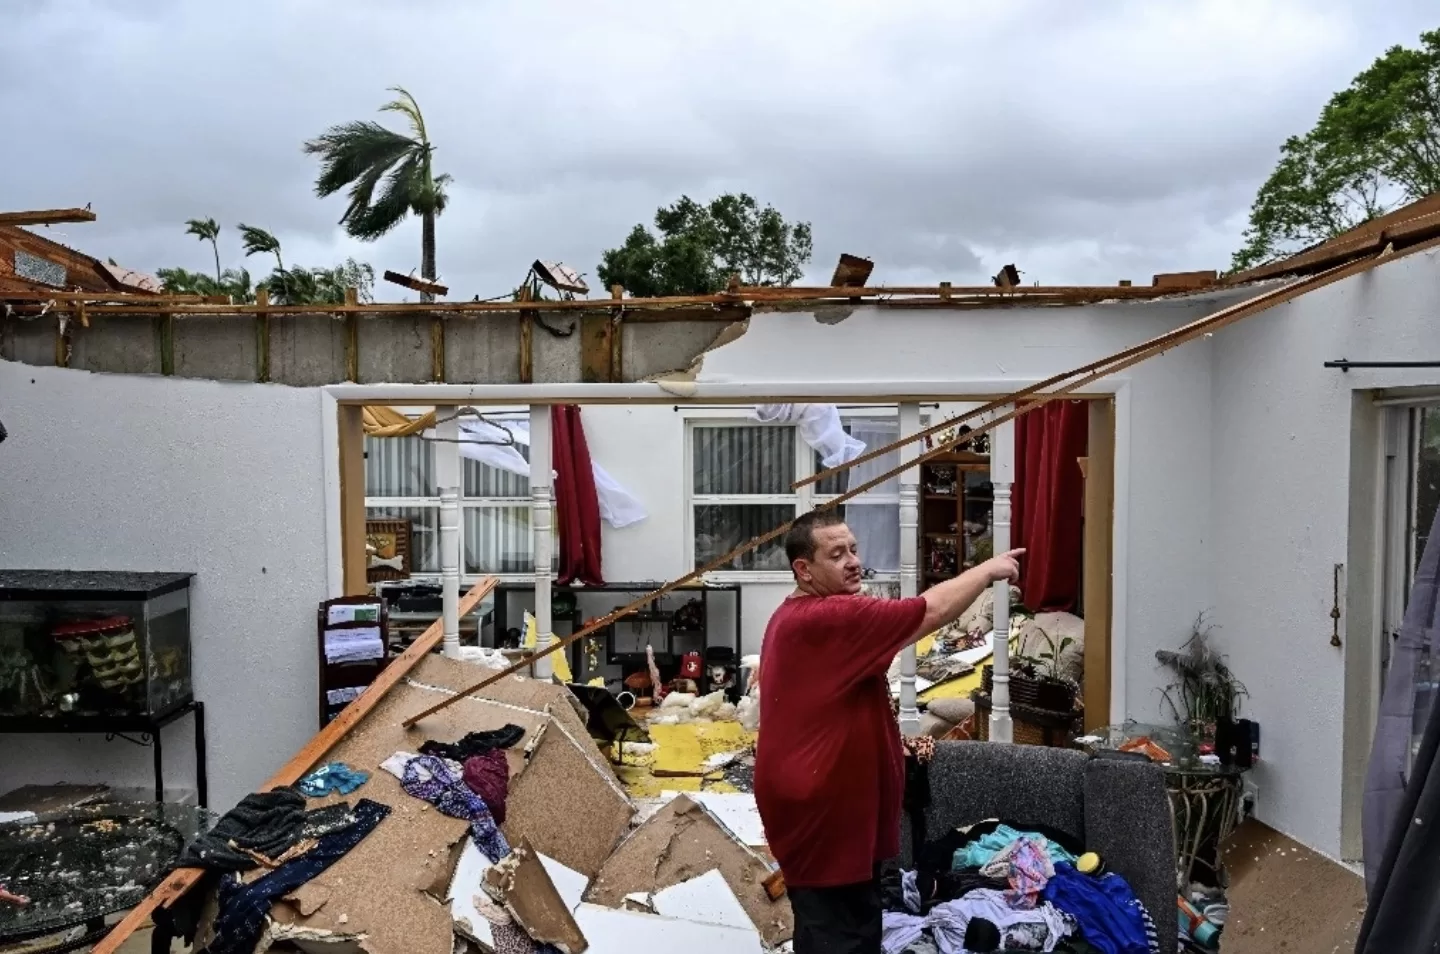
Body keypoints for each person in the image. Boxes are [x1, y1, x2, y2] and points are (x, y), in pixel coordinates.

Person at [754, 509, 1023, 953]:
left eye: (854, 550)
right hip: (821, 812)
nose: (853, 562)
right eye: (836, 554)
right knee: (842, 935)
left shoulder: (803, 613)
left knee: (836, 926)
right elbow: (930, 610)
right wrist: (989, 570)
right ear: (804, 570)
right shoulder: (829, 617)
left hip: (825, 805)